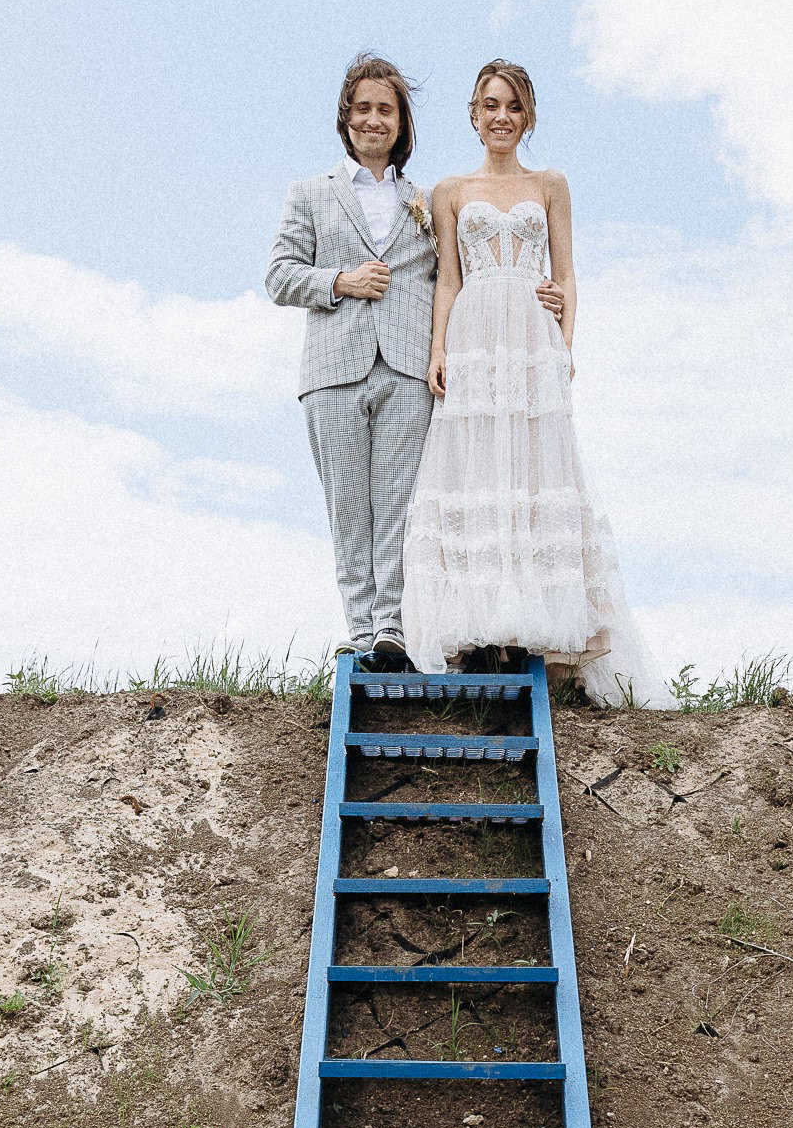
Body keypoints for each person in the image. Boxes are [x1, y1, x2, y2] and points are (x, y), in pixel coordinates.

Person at [401, 61, 664, 707]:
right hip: (474, 337)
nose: (500, 117)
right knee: (478, 469)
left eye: (513, 107)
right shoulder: (451, 190)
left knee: (539, 470)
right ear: (473, 113)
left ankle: (539, 636)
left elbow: (568, 274)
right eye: (490, 105)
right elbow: (449, 280)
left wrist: (564, 344)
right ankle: (480, 634)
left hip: (531, 340)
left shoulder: (550, 185)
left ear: (529, 117)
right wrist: (439, 348)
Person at [265, 53, 437, 674]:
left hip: (408, 372)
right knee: (348, 507)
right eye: (362, 108)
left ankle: (392, 629)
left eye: (385, 110)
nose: (373, 120)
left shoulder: (426, 201)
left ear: (401, 122)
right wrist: (341, 280)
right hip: (333, 372)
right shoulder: (310, 194)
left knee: (399, 505)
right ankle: (360, 631)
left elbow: (455, 278)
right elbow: (279, 277)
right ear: (346, 116)